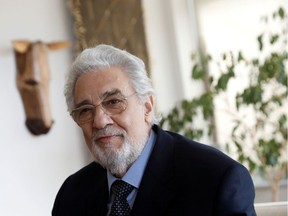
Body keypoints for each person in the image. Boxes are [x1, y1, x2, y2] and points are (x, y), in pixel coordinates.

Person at [52, 44, 256, 216]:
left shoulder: (217, 180)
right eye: (86, 110)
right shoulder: (72, 195)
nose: (99, 121)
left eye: (113, 102)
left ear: (147, 107)